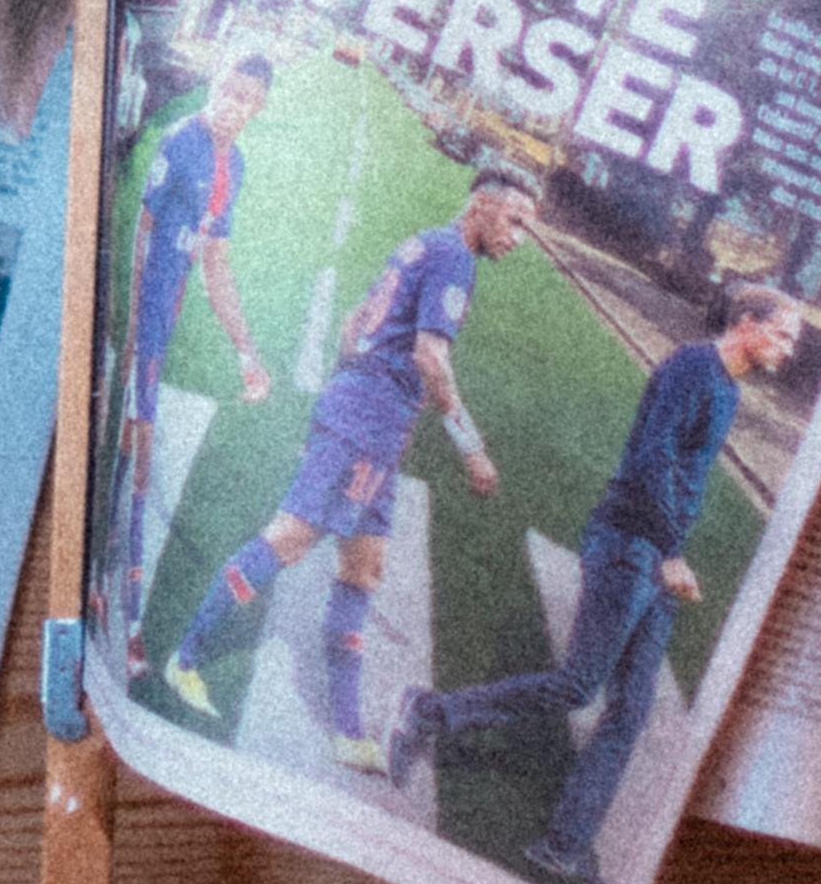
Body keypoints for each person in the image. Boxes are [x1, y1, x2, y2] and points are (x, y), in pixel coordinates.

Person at [388, 281, 807, 884]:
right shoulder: (693, 368)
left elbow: (678, 471)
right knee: (578, 685)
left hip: (656, 557)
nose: (789, 349)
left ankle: (563, 845)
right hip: (630, 547)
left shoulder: (727, 388)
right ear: (746, 322)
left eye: (793, 340)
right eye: (782, 333)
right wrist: (668, 552)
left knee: (631, 709)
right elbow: (649, 459)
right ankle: (430, 713)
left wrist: (667, 553)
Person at [134, 162, 529, 766]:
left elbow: (352, 323)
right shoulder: (455, 258)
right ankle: (185, 659)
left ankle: (348, 732)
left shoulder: (424, 242)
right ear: (481, 204)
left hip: (371, 424)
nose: (518, 237)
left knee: (364, 570)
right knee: (291, 537)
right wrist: (469, 444)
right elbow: (430, 357)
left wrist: (352, 394)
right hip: (369, 424)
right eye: (515, 220)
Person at [106, 50, 284, 617]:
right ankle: (116, 592)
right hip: (145, 314)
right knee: (138, 446)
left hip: (169, 310)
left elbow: (217, 267)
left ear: (259, 108)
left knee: (136, 446)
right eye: (227, 90)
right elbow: (143, 228)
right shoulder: (182, 141)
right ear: (216, 85)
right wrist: (135, 323)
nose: (231, 105)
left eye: (245, 98)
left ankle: (107, 572)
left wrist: (246, 351)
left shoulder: (237, 167)